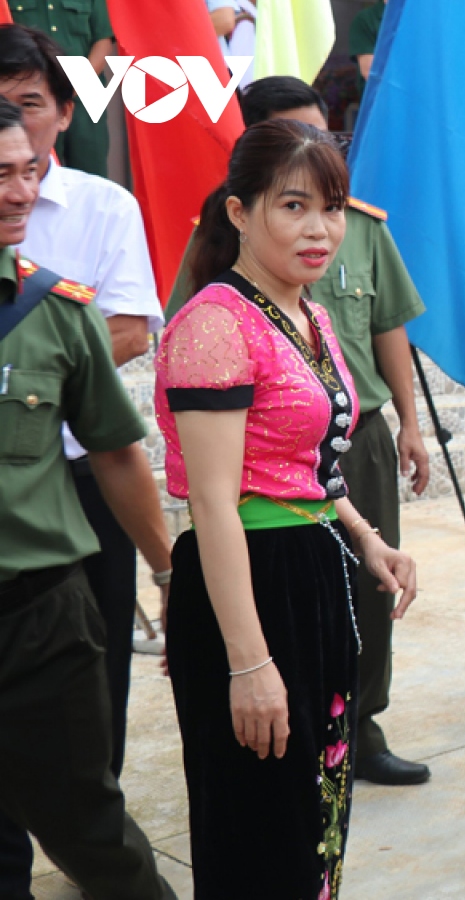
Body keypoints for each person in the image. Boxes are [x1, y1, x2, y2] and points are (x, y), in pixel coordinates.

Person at [158, 119, 417, 899]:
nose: (320, 229)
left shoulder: (305, 313)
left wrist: (367, 539)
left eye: (331, 208)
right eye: (294, 206)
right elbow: (215, 504)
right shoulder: (214, 324)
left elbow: (306, 465)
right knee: (259, 829)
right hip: (250, 588)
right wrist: (249, 662)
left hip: (310, 574)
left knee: (313, 815)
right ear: (238, 212)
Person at [0, 25, 169, 889]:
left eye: (32, 107)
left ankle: (79, 809)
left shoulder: (102, 209)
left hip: (72, 475)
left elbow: (133, 329)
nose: (21, 144)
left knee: (84, 675)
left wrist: (33, 363)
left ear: (64, 113)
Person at [9, 0, 112, 177]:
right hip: (33, 96)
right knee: (35, 167)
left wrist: (70, 88)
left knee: (91, 168)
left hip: (85, 95)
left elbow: (103, 41)